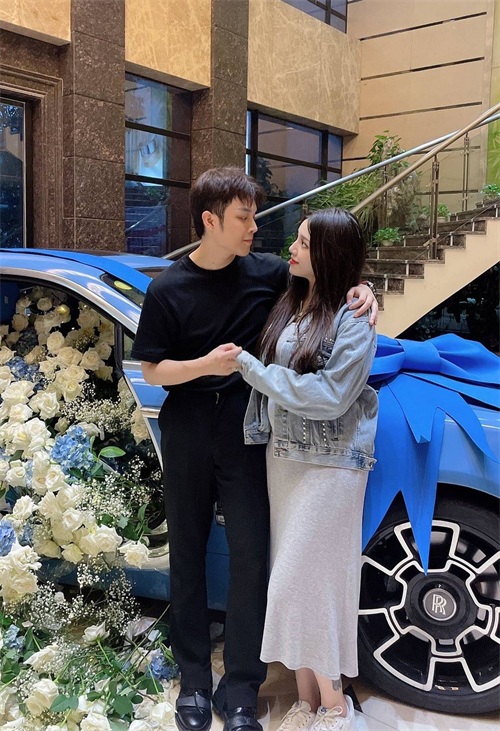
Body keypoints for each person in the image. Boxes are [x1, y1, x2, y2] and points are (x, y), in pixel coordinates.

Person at [130, 168, 377, 731]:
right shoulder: (167, 288)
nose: (254, 229)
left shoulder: (268, 272)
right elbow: (153, 370)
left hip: (249, 431)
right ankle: (195, 681)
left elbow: (330, 279)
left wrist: (366, 290)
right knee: (186, 553)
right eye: (243, 218)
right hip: (188, 426)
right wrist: (207, 365)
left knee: (251, 558)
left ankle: (242, 687)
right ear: (209, 220)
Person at [234, 208, 379, 731]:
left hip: (330, 467)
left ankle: (336, 706)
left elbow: (332, 395)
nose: (290, 250)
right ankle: (306, 701)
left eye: (302, 242)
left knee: (312, 584)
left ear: (328, 254)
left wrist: (252, 370)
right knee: (293, 584)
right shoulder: (295, 300)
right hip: (285, 460)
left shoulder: (352, 318)